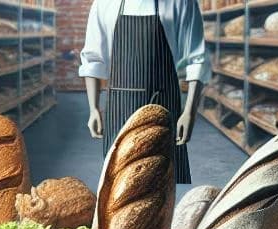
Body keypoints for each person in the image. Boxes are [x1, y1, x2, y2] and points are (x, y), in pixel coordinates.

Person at [79, 0, 211, 183]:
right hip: (120, 109)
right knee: (120, 183)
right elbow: (93, 59)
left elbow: (197, 59)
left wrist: (189, 112)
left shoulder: (181, 2)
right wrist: (93, 108)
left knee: (160, 183)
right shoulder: (104, 4)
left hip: (162, 105)